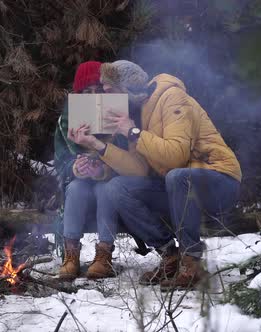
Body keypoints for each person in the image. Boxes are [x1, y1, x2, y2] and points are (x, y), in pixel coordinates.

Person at [99, 60, 243, 290]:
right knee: (117, 188)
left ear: (128, 88)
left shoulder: (172, 97)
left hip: (218, 180)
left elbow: (176, 156)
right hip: (179, 190)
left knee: (177, 176)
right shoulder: (135, 113)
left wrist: (132, 132)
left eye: (111, 92)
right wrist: (99, 147)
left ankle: (191, 263)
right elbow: (139, 170)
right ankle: (170, 255)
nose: (107, 100)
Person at [53, 61, 148, 280]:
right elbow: (62, 163)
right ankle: (71, 255)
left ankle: (104, 255)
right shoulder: (66, 120)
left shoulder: (122, 118)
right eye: (88, 92)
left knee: (105, 189)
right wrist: (76, 168)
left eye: (99, 90)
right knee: (77, 189)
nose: (94, 96)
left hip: (111, 190)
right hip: (79, 192)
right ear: (79, 94)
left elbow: (130, 163)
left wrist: (102, 171)